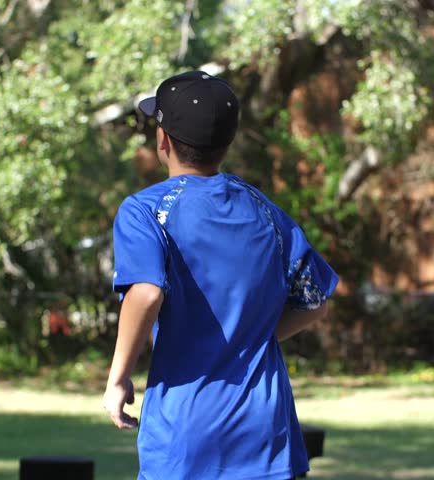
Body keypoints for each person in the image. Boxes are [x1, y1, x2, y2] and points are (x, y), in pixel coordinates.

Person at [103, 70, 340, 480]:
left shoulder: (145, 211)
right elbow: (314, 302)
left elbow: (145, 293)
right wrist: (252, 334)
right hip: (268, 436)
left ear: (164, 141)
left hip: (187, 436)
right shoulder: (265, 211)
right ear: (227, 144)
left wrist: (118, 378)